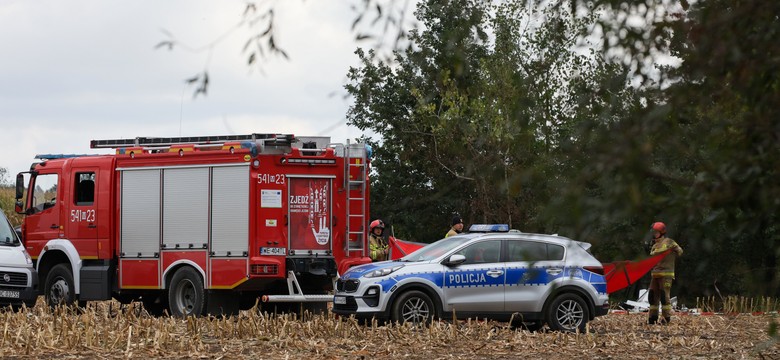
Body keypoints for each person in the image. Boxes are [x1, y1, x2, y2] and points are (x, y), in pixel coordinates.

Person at [647, 221, 684, 325]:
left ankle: (666, 319)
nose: (654, 234)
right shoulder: (654, 246)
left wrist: (673, 249)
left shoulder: (669, 242)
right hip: (655, 274)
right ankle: (652, 318)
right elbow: (652, 258)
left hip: (666, 274)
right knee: (652, 297)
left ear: (661, 232)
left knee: (664, 297)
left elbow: (680, 251)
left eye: (656, 232)